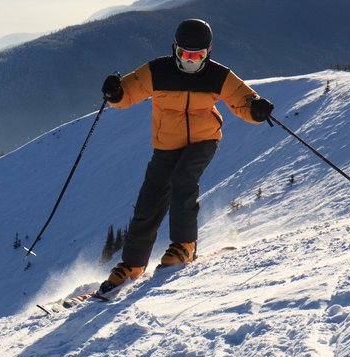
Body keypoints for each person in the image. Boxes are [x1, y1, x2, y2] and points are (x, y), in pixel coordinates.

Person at [97, 18, 274, 294]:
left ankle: (184, 246)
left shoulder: (218, 76)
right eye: (185, 54)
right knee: (150, 199)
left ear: (208, 52)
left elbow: (243, 101)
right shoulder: (157, 71)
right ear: (175, 49)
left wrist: (256, 110)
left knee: (183, 179)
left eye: (197, 55)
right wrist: (115, 93)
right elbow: (127, 93)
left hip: (204, 140)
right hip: (167, 144)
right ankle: (132, 264)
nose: (191, 61)